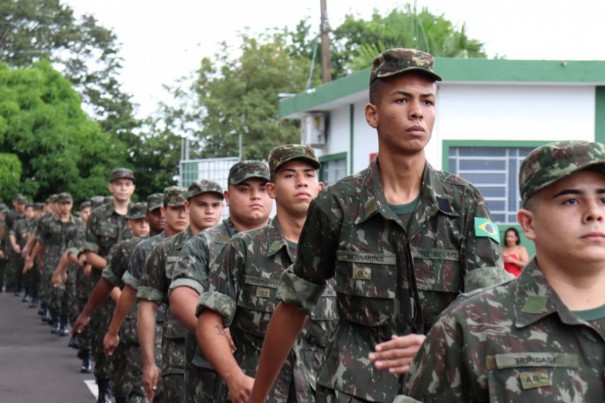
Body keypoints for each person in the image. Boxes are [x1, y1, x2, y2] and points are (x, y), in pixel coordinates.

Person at [248, 48, 510, 403]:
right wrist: (259, 395)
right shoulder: (337, 205)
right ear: (372, 114)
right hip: (354, 389)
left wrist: (439, 344)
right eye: (401, 100)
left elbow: (489, 308)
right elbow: (294, 304)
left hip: (443, 386)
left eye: (428, 102)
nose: (417, 111)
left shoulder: (465, 203)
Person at [403, 140, 605, 402]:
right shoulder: (472, 324)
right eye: (570, 201)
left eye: (604, 198)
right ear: (528, 224)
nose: (594, 213)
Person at [197, 145, 338, 403]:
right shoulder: (243, 249)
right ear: (271, 190)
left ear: (320, 189)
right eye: (289, 175)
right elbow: (210, 322)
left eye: (308, 175)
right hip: (258, 393)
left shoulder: (339, 255)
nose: (300, 183)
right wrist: (233, 377)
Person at [169, 161, 273, 403]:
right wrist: (213, 331)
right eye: (244, 189)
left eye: (262, 188)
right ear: (228, 196)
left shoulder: (290, 242)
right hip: (212, 379)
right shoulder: (204, 243)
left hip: (276, 378)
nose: (255, 196)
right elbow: (182, 295)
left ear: (273, 192)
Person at [137, 180, 223, 403]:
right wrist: (149, 362)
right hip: (179, 352)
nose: (209, 211)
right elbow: (147, 306)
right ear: (188, 206)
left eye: (215, 205)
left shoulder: (235, 247)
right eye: (202, 204)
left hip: (226, 350)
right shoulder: (164, 250)